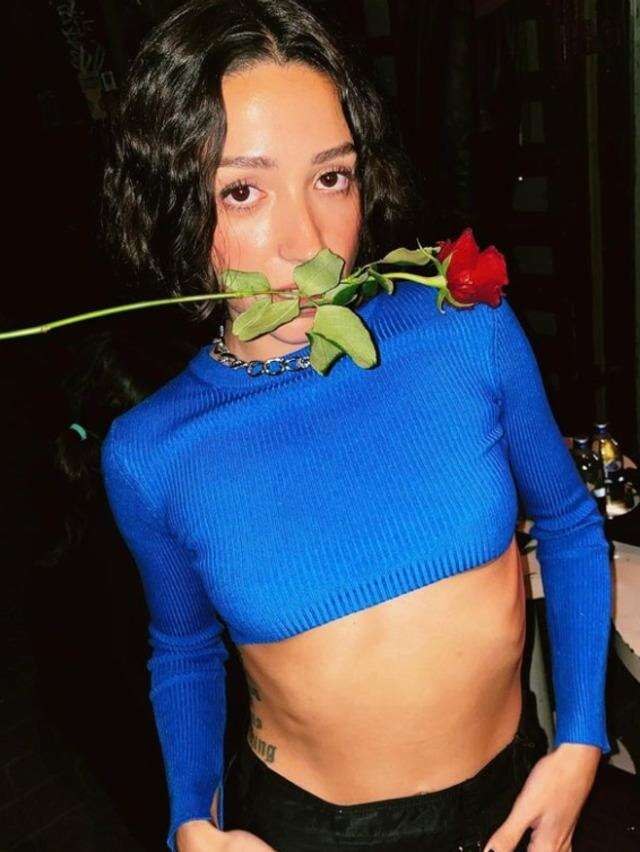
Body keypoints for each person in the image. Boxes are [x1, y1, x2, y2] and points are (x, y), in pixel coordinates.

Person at [100, 2, 613, 851]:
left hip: (513, 800)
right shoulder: (153, 453)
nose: (307, 241)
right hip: (307, 831)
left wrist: (581, 741)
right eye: (242, 191)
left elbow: (565, 522)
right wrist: (192, 821)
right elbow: (184, 648)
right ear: (172, 206)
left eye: (332, 177)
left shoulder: (464, 330)